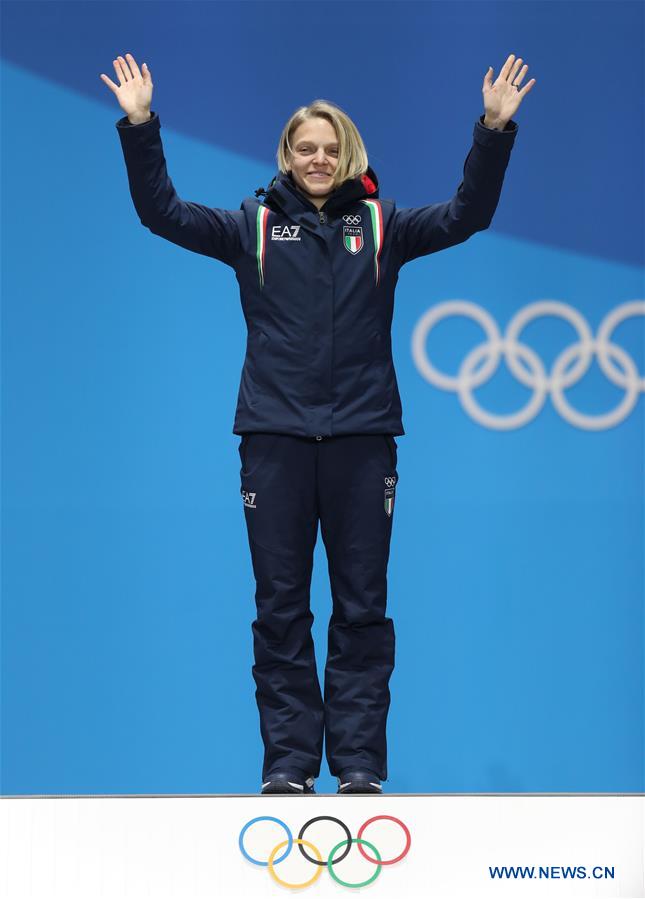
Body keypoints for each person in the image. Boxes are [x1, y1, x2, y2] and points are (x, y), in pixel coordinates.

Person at [101, 51, 535, 795]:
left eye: (331, 148)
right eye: (306, 147)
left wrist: (492, 130)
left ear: (349, 156)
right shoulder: (252, 226)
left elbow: (469, 215)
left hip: (364, 442)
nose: (318, 158)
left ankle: (359, 765)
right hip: (273, 441)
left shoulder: (383, 225)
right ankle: (289, 765)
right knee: (280, 609)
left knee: (362, 608)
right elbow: (161, 214)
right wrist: (140, 124)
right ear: (286, 155)